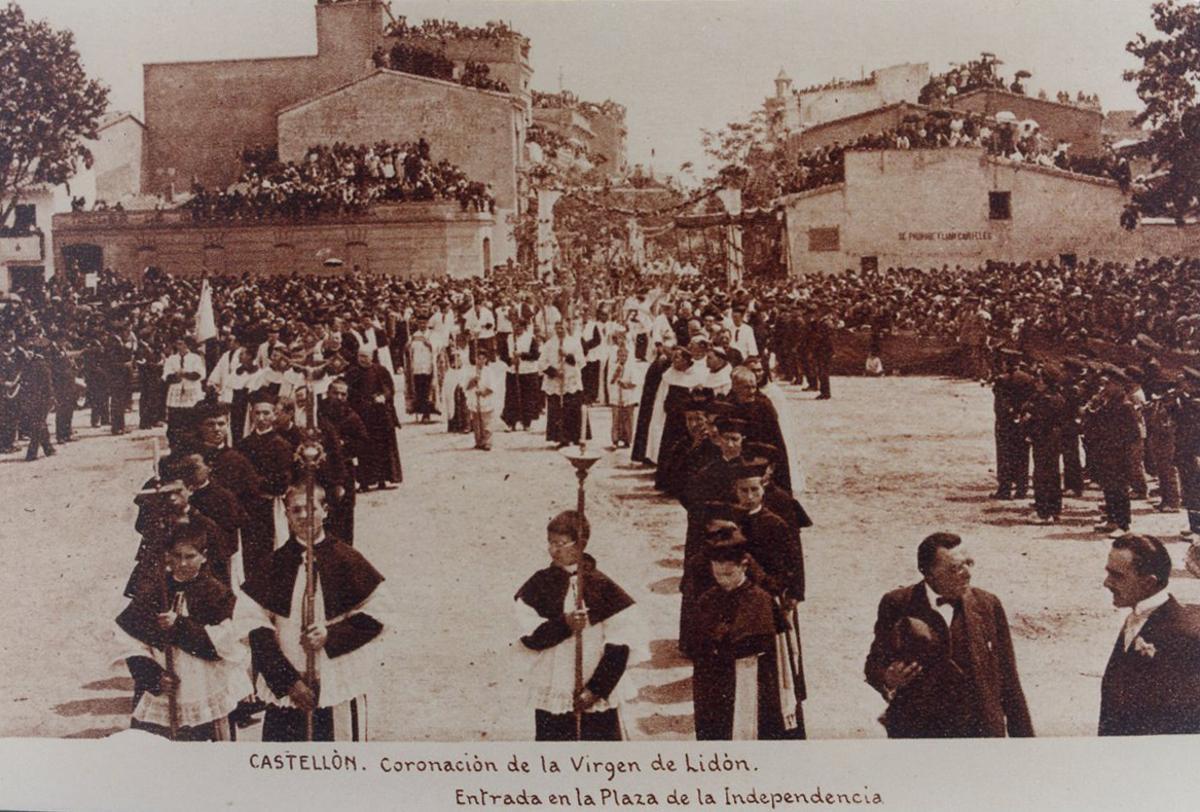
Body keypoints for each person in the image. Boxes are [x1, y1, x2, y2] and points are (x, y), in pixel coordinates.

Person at [238, 483, 386, 742]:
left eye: (311, 508)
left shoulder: (346, 559)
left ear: (325, 511)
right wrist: (289, 683)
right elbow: (253, 629)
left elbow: (379, 615)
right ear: (286, 515)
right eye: (296, 510)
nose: (304, 516)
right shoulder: (274, 564)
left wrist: (331, 635)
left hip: (336, 682)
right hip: (287, 687)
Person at [864, 532, 1033, 738]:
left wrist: (1026, 744)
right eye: (955, 568)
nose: (967, 573)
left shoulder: (988, 604)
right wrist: (888, 679)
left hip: (980, 731)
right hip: (920, 733)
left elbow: (1009, 679)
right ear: (928, 573)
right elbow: (874, 665)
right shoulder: (897, 604)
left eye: (969, 563)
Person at [115, 523, 251, 741]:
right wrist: (154, 678)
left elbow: (223, 647)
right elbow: (129, 641)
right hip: (164, 691)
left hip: (204, 691)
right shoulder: (155, 591)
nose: (183, 563)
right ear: (168, 556)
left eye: (190, 556)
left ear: (204, 556)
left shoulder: (217, 594)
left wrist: (179, 626)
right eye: (176, 556)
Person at [514, 511, 637, 741]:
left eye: (560, 544)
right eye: (550, 542)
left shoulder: (601, 585)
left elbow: (620, 644)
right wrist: (565, 624)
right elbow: (529, 635)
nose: (553, 550)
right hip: (555, 686)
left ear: (580, 544)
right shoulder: (540, 582)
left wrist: (596, 690)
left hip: (594, 688)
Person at [685, 525, 785, 740]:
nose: (723, 580)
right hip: (712, 682)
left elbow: (762, 642)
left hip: (747, 678)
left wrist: (722, 641)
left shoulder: (759, 599)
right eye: (717, 573)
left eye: (729, 573)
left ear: (744, 566)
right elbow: (694, 641)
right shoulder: (707, 598)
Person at [1099, 533, 1200, 735]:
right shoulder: (1136, 617)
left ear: (1148, 583)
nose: (1106, 583)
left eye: (1117, 576)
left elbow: (1181, 723)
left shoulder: (1183, 637)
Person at [344, 347, 402, 490]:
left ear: (372, 357)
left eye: (366, 356)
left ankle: (383, 479)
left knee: (383, 448)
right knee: (364, 450)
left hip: (380, 415)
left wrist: (384, 396)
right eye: (360, 356)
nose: (363, 359)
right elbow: (349, 393)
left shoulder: (380, 370)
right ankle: (365, 482)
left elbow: (389, 388)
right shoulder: (352, 372)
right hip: (362, 416)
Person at [465, 344, 504, 451]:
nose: (481, 361)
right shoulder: (471, 371)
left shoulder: (489, 371)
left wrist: (483, 392)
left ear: (486, 360)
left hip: (486, 399)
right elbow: (466, 386)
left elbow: (492, 387)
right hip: (475, 400)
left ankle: (488, 442)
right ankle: (479, 441)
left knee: (487, 423)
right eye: (479, 358)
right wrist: (473, 381)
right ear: (475, 359)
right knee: (477, 424)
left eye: (483, 359)